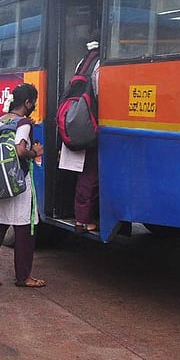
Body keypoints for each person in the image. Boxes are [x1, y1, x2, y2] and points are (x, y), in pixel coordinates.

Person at [0, 83, 46, 289]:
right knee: (25, 228)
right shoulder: (24, 123)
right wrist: (36, 152)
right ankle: (24, 277)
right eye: (34, 102)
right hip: (19, 181)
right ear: (27, 102)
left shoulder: (2, 120)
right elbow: (20, 150)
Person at [59, 39, 101, 233]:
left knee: (84, 173)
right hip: (90, 123)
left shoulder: (82, 62)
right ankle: (83, 220)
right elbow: (100, 94)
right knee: (91, 174)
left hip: (76, 120)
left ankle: (81, 218)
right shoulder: (99, 65)